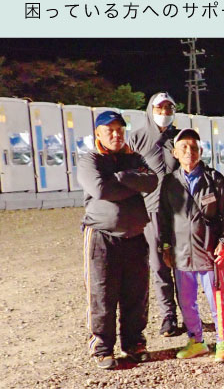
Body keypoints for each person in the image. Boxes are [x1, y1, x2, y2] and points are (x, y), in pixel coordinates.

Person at [78, 110, 158, 370]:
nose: (116, 135)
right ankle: (102, 347)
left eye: (120, 130)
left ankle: (134, 343)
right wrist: (133, 183)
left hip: (135, 236)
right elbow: (101, 189)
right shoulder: (90, 160)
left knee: (136, 293)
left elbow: (152, 181)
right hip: (102, 236)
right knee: (102, 293)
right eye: (109, 130)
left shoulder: (134, 157)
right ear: (98, 133)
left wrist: (121, 178)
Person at [158, 129, 224, 362]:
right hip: (181, 253)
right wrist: (165, 247)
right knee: (186, 302)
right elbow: (164, 217)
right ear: (175, 153)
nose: (189, 151)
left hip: (209, 252)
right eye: (183, 147)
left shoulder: (214, 179)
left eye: (194, 147)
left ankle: (223, 341)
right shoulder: (170, 182)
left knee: (216, 300)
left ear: (201, 151)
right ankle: (196, 341)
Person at [128, 92, 182, 337]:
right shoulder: (137, 138)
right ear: (151, 110)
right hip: (151, 211)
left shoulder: (179, 137)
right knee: (159, 264)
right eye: (160, 108)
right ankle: (168, 316)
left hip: (180, 211)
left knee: (182, 264)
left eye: (169, 108)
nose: (165, 112)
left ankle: (189, 313)